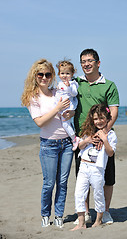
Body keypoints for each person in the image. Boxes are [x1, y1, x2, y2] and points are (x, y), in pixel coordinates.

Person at [21, 59, 74, 228]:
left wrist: (71, 111)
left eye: (48, 74)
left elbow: (71, 104)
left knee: (63, 182)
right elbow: (40, 122)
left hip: (66, 143)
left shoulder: (57, 92)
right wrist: (57, 109)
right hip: (48, 145)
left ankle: (59, 215)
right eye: (40, 74)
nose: (44, 77)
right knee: (49, 183)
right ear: (35, 76)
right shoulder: (33, 97)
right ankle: (45, 214)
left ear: (52, 76)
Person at [74, 48, 119, 224]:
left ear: (98, 63)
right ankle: (85, 213)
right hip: (83, 139)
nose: (86, 64)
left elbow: (113, 113)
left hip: (104, 137)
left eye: (90, 61)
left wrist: (102, 135)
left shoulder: (109, 85)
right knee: (82, 179)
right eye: (83, 61)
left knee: (107, 178)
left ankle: (105, 211)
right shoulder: (76, 83)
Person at [71, 104, 117, 231]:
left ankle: (98, 220)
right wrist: (88, 140)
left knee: (98, 194)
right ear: (92, 120)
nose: (99, 121)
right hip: (83, 167)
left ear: (107, 119)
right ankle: (81, 223)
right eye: (96, 119)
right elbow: (79, 146)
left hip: (97, 169)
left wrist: (104, 139)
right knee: (79, 193)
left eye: (102, 118)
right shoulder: (87, 132)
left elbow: (110, 153)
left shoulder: (111, 134)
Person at [56, 60, 79, 151]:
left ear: (72, 74)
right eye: (62, 73)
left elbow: (74, 93)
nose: (65, 76)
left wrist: (69, 87)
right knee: (66, 123)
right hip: (61, 106)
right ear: (59, 74)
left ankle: (74, 138)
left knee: (65, 124)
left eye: (67, 73)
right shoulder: (59, 83)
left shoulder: (73, 83)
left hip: (68, 106)